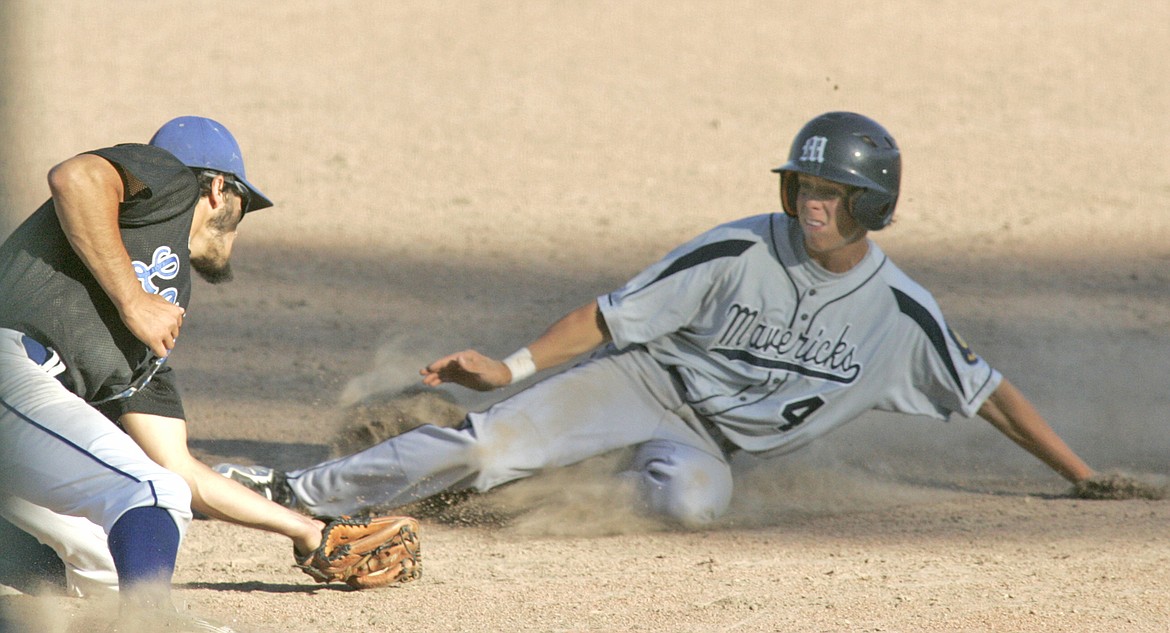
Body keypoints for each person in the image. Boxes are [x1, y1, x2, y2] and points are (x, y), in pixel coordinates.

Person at [215, 111, 1098, 527]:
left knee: (689, 504)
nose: (812, 205)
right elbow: (609, 318)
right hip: (642, 383)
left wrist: (1082, 474)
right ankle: (290, 491)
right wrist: (513, 367)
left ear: (871, 206)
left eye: (832, 194)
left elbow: (992, 394)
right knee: (488, 440)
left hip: (709, 447)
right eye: (804, 187)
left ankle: (526, 488)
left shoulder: (904, 315)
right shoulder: (739, 249)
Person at [0, 116, 326, 631]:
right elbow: (76, 178)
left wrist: (307, 531)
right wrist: (132, 299)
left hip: (24, 405)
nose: (240, 223)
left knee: (108, 562)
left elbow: (181, 471)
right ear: (219, 189)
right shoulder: (170, 181)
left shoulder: (153, 330)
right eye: (245, 206)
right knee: (149, 496)